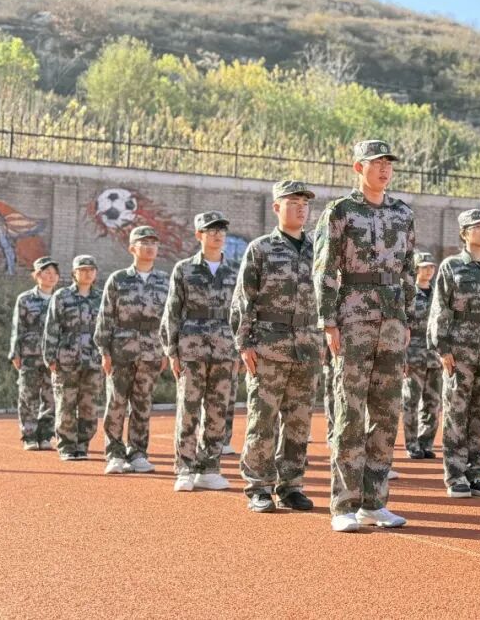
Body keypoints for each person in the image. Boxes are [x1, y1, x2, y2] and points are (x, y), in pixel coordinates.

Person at [314, 139, 415, 532]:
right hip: (354, 318)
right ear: (358, 167)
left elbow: (408, 268)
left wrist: (407, 319)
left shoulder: (402, 212)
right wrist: (328, 321)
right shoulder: (341, 211)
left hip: (392, 320)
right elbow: (325, 267)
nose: (385, 169)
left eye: (388, 163)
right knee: (350, 412)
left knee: (387, 414)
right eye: (377, 163)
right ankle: (344, 503)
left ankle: (375, 502)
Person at [230, 181, 322, 513]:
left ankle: (291, 485)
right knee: (262, 419)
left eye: (305, 203)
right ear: (276, 207)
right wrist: (244, 343)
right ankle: (258, 486)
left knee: (299, 422)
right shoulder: (261, 249)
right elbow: (243, 299)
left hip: (307, 347)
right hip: (268, 347)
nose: (301, 208)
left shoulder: (319, 249)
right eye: (293, 201)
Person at [429, 209, 480, 498]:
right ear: (464, 233)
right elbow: (440, 309)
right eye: (477, 226)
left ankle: (476, 473)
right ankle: (455, 475)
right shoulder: (451, 267)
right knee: (456, 413)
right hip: (459, 352)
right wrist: (443, 348)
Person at [161, 211, 239, 492]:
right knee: (188, 409)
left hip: (225, 348)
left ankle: (209, 468)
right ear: (199, 235)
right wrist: (171, 351)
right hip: (191, 348)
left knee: (218, 410)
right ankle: (185, 468)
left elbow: (242, 313)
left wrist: (240, 349)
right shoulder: (184, 269)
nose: (217, 235)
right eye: (211, 230)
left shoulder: (236, 270)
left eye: (221, 230)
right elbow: (172, 311)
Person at [94, 226, 170, 474]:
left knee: (142, 403)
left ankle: (138, 453)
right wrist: (104, 351)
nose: (150, 247)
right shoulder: (118, 279)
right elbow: (105, 316)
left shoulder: (165, 281)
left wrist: (167, 351)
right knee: (116, 402)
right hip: (121, 349)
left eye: (154, 243)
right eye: (144, 243)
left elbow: (170, 319)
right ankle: (115, 453)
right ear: (132, 248)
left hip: (151, 349)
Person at [42, 255, 103, 461]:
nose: (87, 273)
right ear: (74, 273)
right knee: (65, 404)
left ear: (95, 273)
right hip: (66, 359)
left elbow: (107, 329)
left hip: (93, 360)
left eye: (91, 269)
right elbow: (51, 327)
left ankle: (82, 445)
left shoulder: (101, 297)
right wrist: (50, 357)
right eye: (82, 270)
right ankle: (67, 446)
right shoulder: (62, 296)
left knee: (89, 405)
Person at [9, 257, 59, 451]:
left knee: (51, 397)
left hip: (53, 356)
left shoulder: (61, 298)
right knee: (28, 396)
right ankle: (29, 436)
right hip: (30, 355)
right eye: (46, 273)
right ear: (37, 275)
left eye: (54, 273)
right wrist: (15, 352)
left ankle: (45, 436)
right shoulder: (25, 299)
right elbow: (18, 326)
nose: (51, 276)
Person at [401, 252, 442, 459]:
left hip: (435, 357)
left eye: (431, 267)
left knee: (432, 403)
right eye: (424, 267)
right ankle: (412, 444)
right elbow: (402, 327)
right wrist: (402, 357)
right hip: (414, 355)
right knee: (410, 402)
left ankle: (426, 443)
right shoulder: (408, 294)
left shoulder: (439, 294)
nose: (429, 271)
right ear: (416, 269)